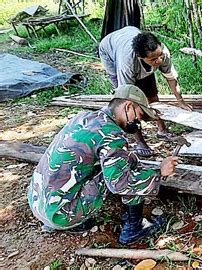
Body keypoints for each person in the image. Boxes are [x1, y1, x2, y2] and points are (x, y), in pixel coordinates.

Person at [27, 85, 178, 245]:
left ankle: (72, 217)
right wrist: (159, 172)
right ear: (128, 106)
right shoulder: (111, 135)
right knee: (130, 166)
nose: (138, 123)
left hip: (39, 204)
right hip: (61, 215)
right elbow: (121, 184)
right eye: (139, 116)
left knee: (120, 162)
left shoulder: (83, 117)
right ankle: (134, 228)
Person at [99, 26, 192, 157]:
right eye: (153, 59)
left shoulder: (162, 52)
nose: (159, 61)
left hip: (129, 35)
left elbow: (171, 77)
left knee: (152, 95)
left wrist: (180, 101)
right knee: (130, 109)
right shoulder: (127, 62)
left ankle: (162, 129)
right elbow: (126, 98)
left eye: (160, 56)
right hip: (109, 49)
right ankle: (140, 141)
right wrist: (141, 109)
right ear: (140, 57)